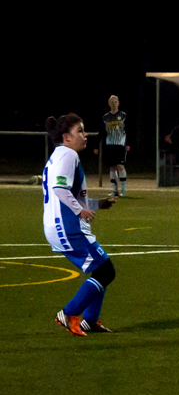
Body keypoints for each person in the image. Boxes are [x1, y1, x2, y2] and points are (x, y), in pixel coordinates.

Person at [44, 113, 117, 336]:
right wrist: (80, 210)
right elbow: (59, 189)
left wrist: (97, 204)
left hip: (62, 226)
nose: (85, 135)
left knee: (100, 268)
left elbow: (74, 197)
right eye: (80, 131)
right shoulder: (68, 155)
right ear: (66, 137)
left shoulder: (60, 154)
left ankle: (91, 321)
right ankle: (69, 312)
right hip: (66, 227)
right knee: (105, 272)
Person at [94, 95, 129, 197]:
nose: (114, 104)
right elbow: (101, 132)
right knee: (112, 167)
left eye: (115, 102)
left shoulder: (123, 116)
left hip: (120, 145)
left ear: (118, 103)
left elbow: (128, 130)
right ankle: (114, 191)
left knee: (121, 166)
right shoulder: (105, 117)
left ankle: (123, 190)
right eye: (112, 102)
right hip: (109, 145)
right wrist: (96, 146)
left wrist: (128, 143)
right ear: (109, 104)